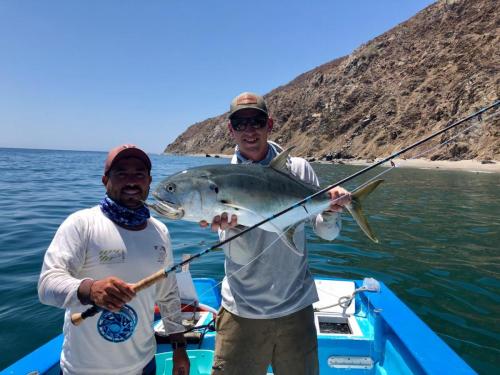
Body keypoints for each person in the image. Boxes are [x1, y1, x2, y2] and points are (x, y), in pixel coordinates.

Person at [200, 92, 352, 375]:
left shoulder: (298, 169)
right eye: (240, 123)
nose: (249, 130)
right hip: (242, 312)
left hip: (296, 308)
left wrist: (330, 212)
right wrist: (231, 227)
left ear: (269, 124)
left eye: (256, 121)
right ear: (231, 129)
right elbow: (237, 253)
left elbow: (326, 233)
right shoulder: (220, 181)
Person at [38, 144, 190, 375]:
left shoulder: (160, 231)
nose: (131, 181)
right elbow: (47, 285)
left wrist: (179, 345)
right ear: (105, 180)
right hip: (85, 370)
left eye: (139, 174)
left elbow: (168, 294)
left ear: (149, 181)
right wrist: (90, 289)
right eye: (121, 173)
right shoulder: (81, 223)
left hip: (144, 365)